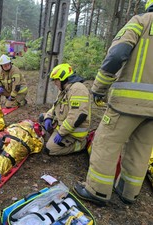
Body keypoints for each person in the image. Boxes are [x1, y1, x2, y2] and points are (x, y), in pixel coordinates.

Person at [73, 1, 153, 206]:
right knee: (142, 148)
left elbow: (117, 54)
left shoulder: (141, 22)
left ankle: (96, 191)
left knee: (106, 143)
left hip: (128, 103)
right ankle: (128, 193)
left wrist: (99, 87)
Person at [41, 63, 90, 156]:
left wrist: (61, 133)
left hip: (74, 133)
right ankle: (56, 135)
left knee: (49, 149)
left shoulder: (78, 90)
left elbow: (75, 117)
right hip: (63, 124)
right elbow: (55, 106)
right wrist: (48, 117)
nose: (55, 83)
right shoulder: (64, 90)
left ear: (63, 79)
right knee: (42, 117)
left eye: (56, 80)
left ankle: (80, 145)